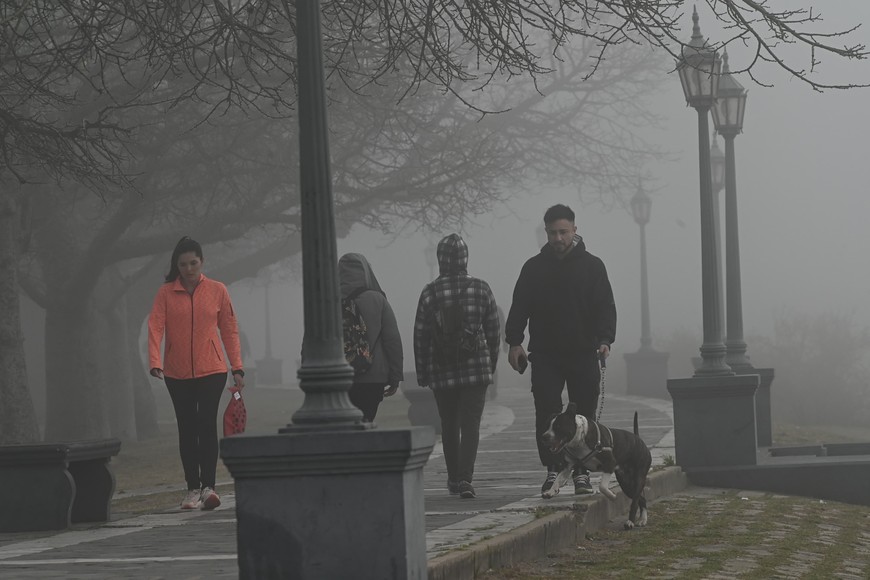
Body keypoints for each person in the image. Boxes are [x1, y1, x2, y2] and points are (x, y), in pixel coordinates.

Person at [504, 204, 616, 498]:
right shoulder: (533, 268)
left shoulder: (593, 266)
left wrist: (605, 339)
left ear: (574, 230)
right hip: (546, 354)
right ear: (546, 232)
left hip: (583, 352)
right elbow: (520, 307)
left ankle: (581, 472)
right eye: (553, 233)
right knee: (547, 412)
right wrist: (514, 342)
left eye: (563, 232)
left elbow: (605, 306)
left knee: (585, 416)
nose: (558, 238)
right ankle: (553, 469)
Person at [148, 236, 245, 511]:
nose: (189, 269)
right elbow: (155, 327)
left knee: (206, 423)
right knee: (187, 427)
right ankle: (192, 489)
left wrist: (237, 367)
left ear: (202, 262)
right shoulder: (165, 293)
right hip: (176, 372)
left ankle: (208, 488)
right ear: (176, 266)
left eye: (193, 263)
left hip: (212, 369)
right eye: (183, 264)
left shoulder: (217, 290)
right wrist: (155, 361)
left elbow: (230, 330)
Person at [414, 234, 500, 499]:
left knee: (449, 423)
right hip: (476, 369)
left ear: (440, 259)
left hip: (442, 369)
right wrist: (490, 364)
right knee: (471, 424)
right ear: (465, 258)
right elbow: (494, 331)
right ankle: (465, 478)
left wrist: (422, 371)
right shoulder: (481, 288)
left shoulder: (430, 293)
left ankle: (453, 478)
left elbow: (421, 335)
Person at [338, 253, 403, 422]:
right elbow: (392, 341)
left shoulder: (328, 302)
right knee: (365, 423)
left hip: (338, 379)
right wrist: (395, 376)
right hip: (372, 378)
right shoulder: (377, 300)